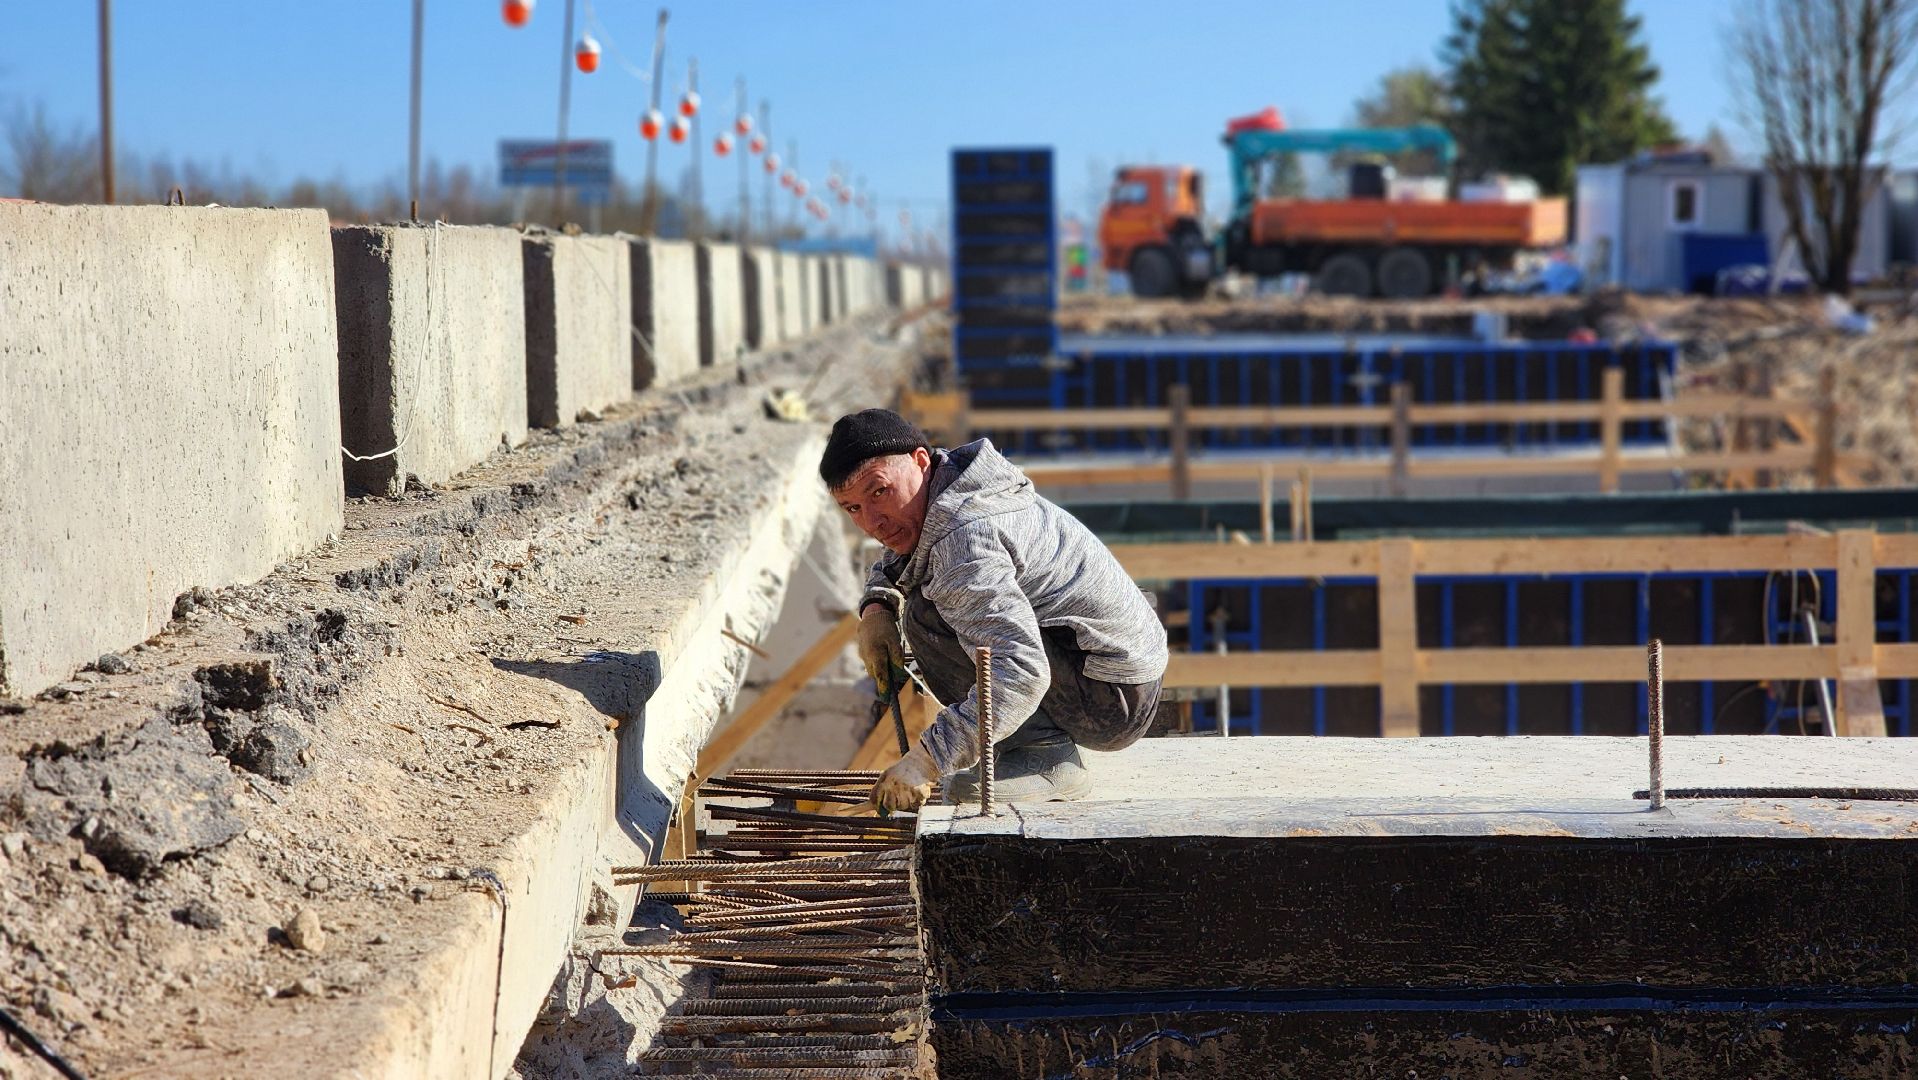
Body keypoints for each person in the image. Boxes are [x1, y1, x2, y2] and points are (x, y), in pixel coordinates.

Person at [818, 408, 1167, 813]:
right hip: (1116, 668)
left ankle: (1045, 757)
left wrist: (928, 761)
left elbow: (1019, 669)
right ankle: (1025, 742)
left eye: (879, 492)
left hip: (1110, 697)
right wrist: (877, 604)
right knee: (929, 598)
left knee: (927, 617)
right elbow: (906, 556)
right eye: (853, 508)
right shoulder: (955, 488)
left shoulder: (965, 541)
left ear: (919, 461)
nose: (873, 522)